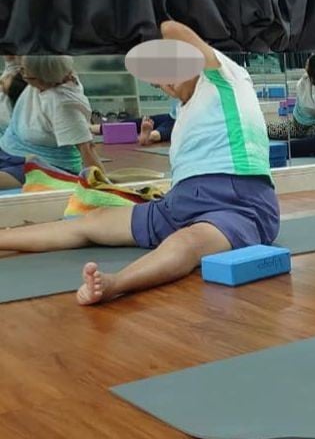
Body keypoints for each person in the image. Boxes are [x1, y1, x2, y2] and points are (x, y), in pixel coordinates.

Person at [0, 21, 279, 305]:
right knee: (92, 221)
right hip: (178, 204)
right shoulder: (183, 107)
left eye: (169, 76)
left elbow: (171, 29)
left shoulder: (225, 76)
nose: (167, 87)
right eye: (160, 85)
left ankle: (115, 284)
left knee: (188, 242)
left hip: (237, 205)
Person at [0, 56, 104, 189]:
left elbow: (87, 150)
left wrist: (103, 188)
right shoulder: (51, 75)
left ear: (43, 79)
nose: (22, 73)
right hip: (8, 152)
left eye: (26, 74)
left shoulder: (64, 106)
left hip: (47, 168)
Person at [267, 52, 315, 140]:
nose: (307, 61)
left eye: (309, 62)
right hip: (298, 126)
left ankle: (310, 140)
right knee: (268, 130)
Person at [90, 100, 180, 146]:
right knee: (136, 122)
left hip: (180, 120)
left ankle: (147, 136)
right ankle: (91, 128)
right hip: (171, 116)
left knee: (164, 130)